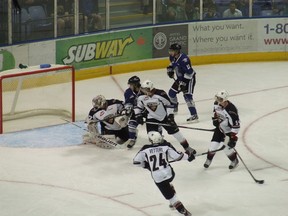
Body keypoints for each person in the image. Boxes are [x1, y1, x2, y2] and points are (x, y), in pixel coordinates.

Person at [133, 131, 193, 216]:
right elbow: (177, 156)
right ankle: (170, 190)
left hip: (158, 177)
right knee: (168, 182)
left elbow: (136, 162)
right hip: (170, 174)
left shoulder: (145, 148)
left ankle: (183, 210)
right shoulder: (166, 146)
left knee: (172, 197)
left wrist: (147, 165)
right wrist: (188, 157)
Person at [134, 79, 197, 160]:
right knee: (152, 136)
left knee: (177, 134)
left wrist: (170, 116)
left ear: (151, 89)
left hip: (164, 117)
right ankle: (161, 150)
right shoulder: (140, 96)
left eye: (146, 89)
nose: (143, 91)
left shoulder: (160, 94)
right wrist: (138, 115)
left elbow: (169, 105)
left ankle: (187, 148)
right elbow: (138, 107)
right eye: (143, 89)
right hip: (151, 117)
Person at [203, 90, 240, 170]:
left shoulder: (231, 110)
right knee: (212, 146)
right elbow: (216, 113)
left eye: (220, 99)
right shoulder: (216, 104)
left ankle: (234, 160)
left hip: (229, 132)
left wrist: (233, 138)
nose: (218, 101)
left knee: (226, 149)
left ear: (225, 100)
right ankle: (209, 159)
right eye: (217, 98)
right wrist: (215, 119)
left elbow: (236, 125)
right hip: (220, 129)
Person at [167, 43, 199, 122]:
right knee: (171, 93)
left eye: (172, 51)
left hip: (189, 79)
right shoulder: (172, 56)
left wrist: (183, 84)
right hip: (180, 78)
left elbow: (190, 73)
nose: (170, 52)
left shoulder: (184, 60)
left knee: (187, 96)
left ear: (177, 51)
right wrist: (170, 70)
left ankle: (194, 115)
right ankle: (175, 106)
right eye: (170, 50)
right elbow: (172, 64)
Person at [123, 76, 143, 148]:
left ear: (135, 85)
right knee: (131, 125)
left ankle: (159, 137)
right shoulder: (128, 92)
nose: (130, 86)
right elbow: (128, 103)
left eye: (131, 84)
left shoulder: (144, 90)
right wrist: (128, 109)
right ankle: (132, 139)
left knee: (155, 124)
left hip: (147, 110)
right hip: (136, 111)